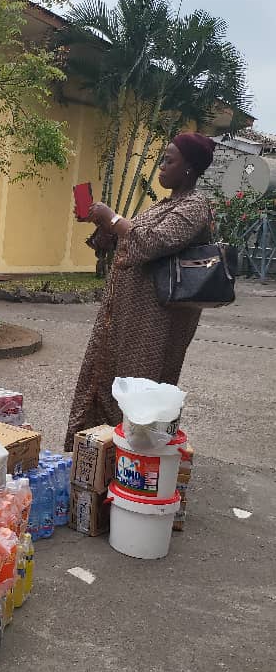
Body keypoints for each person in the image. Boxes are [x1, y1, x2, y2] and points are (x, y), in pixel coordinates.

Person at [64, 132, 216, 451]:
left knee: (139, 390)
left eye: (169, 161)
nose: (161, 167)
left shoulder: (195, 206)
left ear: (189, 167)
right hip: (125, 314)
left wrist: (113, 218)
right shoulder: (166, 204)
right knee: (104, 378)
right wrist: (104, 225)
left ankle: (131, 460)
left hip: (155, 323)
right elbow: (131, 237)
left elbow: (151, 242)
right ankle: (96, 456)